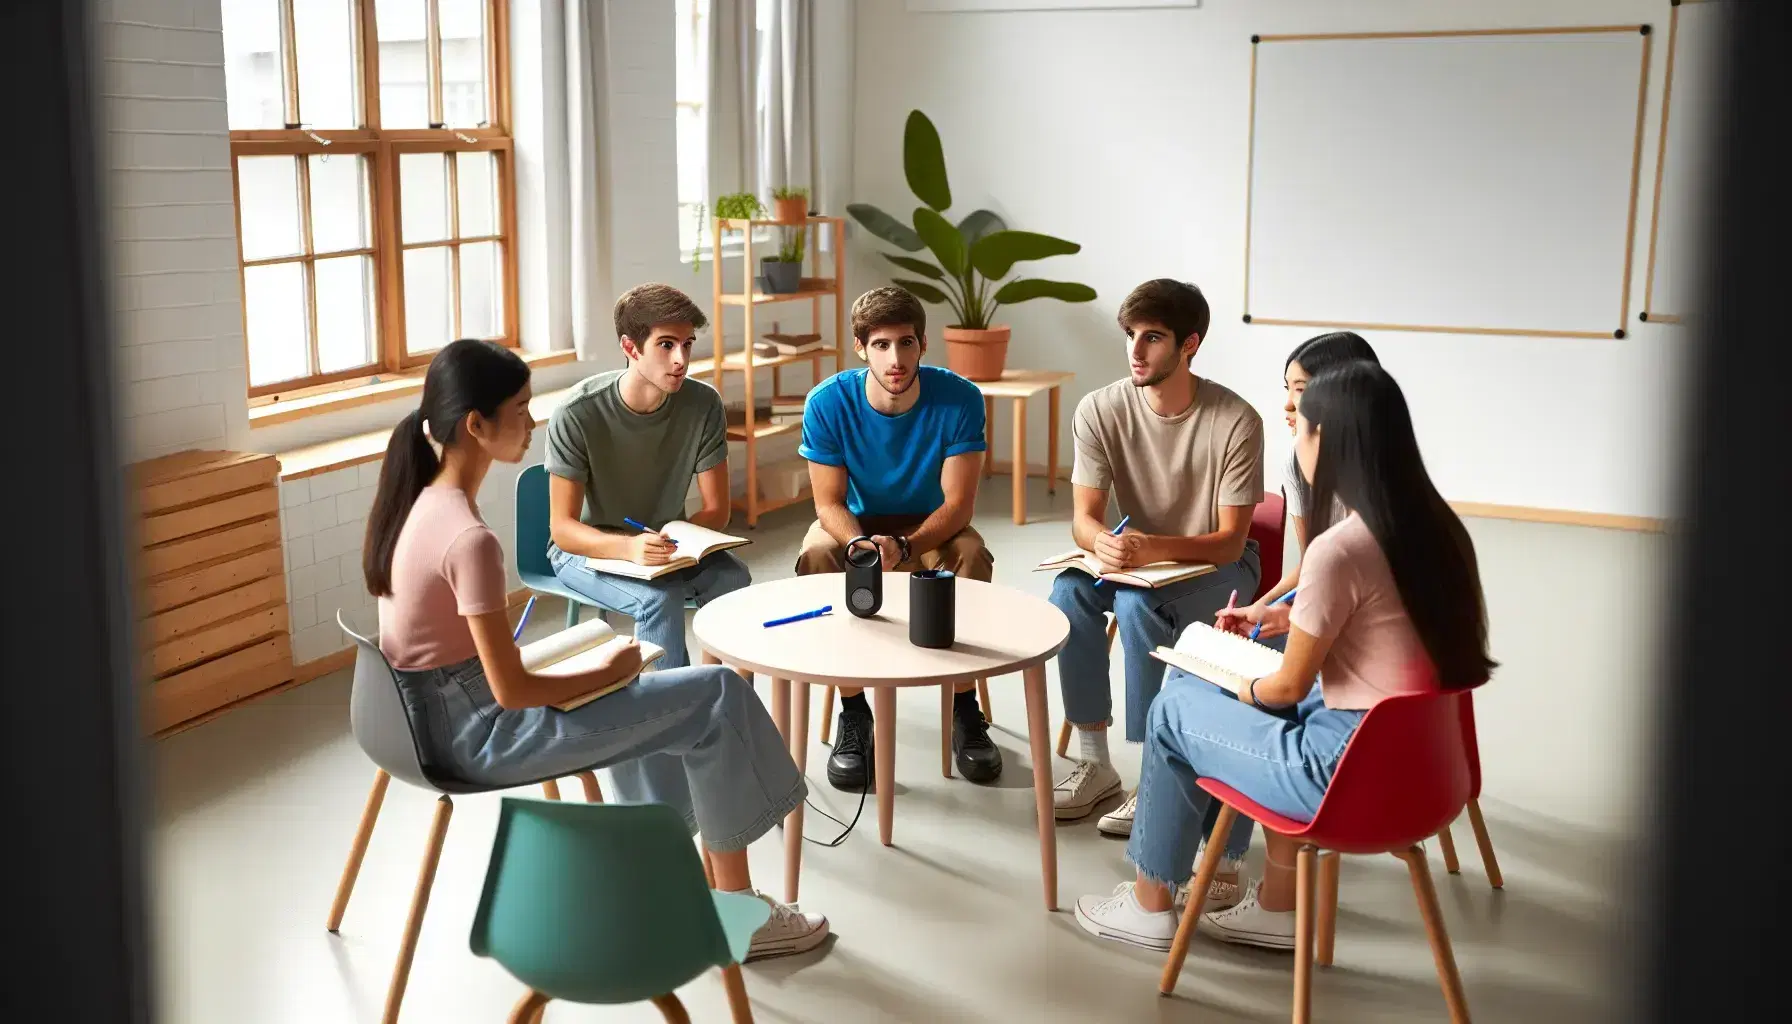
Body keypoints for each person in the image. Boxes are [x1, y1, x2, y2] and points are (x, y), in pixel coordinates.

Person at [366, 338, 827, 960]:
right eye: (521, 409)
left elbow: (471, 668)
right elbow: (511, 693)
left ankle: (674, 878)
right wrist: (600, 674)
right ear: (476, 425)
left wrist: (601, 673)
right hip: (475, 738)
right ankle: (736, 917)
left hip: (423, 719)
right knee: (713, 694)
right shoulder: (468, 537)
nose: (532, 423)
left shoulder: (418, 504)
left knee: (642, 692)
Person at [1071, 361, 1496, 952]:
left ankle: (1148, 908)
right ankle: (1275, 905)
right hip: (1427, 773)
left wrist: (1241, 684)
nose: (1297, 439)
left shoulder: (1339, 548)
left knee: (1176, 707)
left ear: (1329, 439)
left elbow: (1285, 690)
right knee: (1232, 694)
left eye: (1304, 428)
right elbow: (1381, 631)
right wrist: (1287, 619)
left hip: (1338, 777)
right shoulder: (1439, 529)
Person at [1049, 279, 1265, 853]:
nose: (1136, 351)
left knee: (1138, 605)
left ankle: (1155, 780)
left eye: (1153, 337)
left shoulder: (1236, 419)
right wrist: (1104, 543)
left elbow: (1229, 540)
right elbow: (1084, 520)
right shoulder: (1099, 408)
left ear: (1189, 344)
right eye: (1130, 336)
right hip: (1140, 559)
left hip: (1220, 567)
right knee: (1069, 592)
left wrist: (1153, 549)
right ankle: (1095, 763)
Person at [796, 286, 1001, 788]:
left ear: (923, 345)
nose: (895, 358)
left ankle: (964, 708)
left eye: (906, 343)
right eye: (882, 345)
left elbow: (959, 505)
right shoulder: (827, 403)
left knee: (972, 555)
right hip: (856, 525)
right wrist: (859, 544)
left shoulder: (960, 397)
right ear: (861, 347)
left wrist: (906, 546)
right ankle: (853, 712)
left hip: (929, 523)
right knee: (817, 556)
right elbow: (828, 504)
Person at [544, 283, 750, 669]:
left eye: (687, 344)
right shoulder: (577, 412)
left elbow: (717, 510)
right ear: (630, 348)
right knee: (659, 597)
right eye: (667, 345)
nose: (681, 359)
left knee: (733, 579)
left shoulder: (703, 404)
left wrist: (675, 543)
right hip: (586, 551)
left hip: (664, 545)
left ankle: (717, 694)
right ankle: (671, 717)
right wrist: (629, 549)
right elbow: (563, 529)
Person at [1228, 331, 1381, 648]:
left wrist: (1292, 617)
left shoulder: (1384, 478)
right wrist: (1264, 607)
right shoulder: (1295, 461)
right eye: (1288, 389)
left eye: (1299, 390)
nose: (1287, 405)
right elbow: (1314, 562)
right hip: (1326, 618)